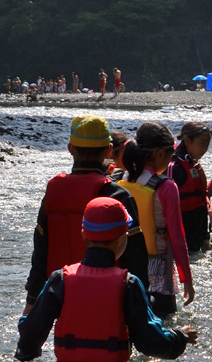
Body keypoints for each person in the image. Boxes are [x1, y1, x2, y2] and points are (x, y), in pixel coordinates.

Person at [16, 197, 198, 362]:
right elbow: (150, 342)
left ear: (84, 234)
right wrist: (180, 337)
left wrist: (27, 350)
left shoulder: (61, 280)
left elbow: (31, 332)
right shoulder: (128, 284)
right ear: (122, 239)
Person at [23, 115, 149, 315]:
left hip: (60, 298)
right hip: (110, 298)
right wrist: (143, 306)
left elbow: (40, 253)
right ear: (109, 150)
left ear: (70, 148)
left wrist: (31, 302)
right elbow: (136, 257)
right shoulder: (118, 195)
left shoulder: (53, 193)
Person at [118, 122, 195, 318]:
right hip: (158, 265)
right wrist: (186, 278)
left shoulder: (123, 179)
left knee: (133, 319)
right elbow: (177, 236)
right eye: (170, 155)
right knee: (164, 322)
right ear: (160, 154)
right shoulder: (167, 186)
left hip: (127, 260)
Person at [168, 122, 212, 253]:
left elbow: (202, 202)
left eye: (207, 144)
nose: (205, 149)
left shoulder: (194, 165)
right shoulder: (174, 168)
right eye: (202, 144)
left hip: (196, 235)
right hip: (180, 236)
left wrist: (205, 237)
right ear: (187, 141)